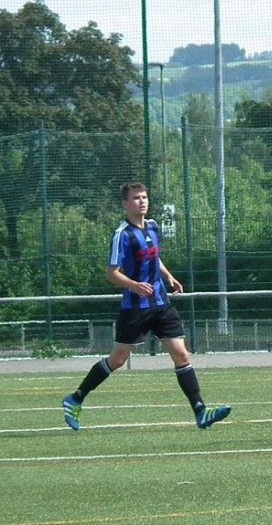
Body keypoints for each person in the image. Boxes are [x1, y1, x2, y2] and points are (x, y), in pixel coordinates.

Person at [61, 182, 231, 431]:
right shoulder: (122, 234)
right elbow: (111, 273)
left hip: (161, 303)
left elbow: (154, 257)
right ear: (125, 204)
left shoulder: (152, 226)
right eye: (136, 198)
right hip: (135, 307)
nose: (142, 201)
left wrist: (168, 276)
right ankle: (76, 398)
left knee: (181, 354)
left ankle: (200, 411)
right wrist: (134, 285)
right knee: (118, 359)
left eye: (144, 197)